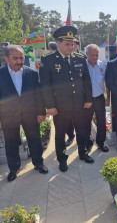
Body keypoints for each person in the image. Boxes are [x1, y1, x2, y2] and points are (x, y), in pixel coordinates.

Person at [39, 26, 94, 172]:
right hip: (60, 107)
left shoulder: (80, 58)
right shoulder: (48, 60)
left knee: (82, 131)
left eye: (73, 44)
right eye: (67, 44)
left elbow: (87, 81)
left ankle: (83, 153)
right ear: (58, 43)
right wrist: (50, 105)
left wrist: (88, 99)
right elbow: (45, 86)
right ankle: (62, 159)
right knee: (60, 134)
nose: (71, 47)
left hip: (79, 105)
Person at [0, 45, 48, 182]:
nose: (19, 61)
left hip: (30, 114)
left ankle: (39, 163)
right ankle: (13, 169)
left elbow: (39, 95)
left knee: (35, 140)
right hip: (8, 116)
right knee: (11, 143)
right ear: (6, 58)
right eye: (15, 58)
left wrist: (41, 112)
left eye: (21, 58)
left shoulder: (32, 73)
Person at [84, 44, 109, 152]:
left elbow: (107, 83)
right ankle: (88, 143)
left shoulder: (103, 66)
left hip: (99, 98)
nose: (95, 57)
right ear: (86, 54)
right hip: (86, 100)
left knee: (101, 121)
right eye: (92, 55)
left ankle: (100, 142)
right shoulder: (82, 66)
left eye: (96, 55)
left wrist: (108, 98)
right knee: (86, 122)